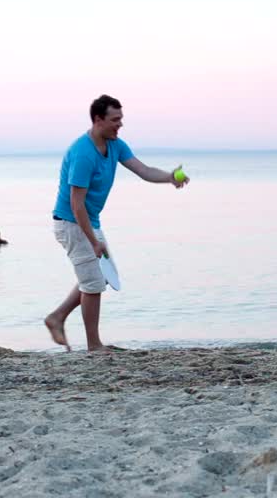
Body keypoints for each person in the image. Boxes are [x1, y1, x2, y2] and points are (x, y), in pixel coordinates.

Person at [43, 94, 188, 352]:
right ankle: (94, 345)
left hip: (87, 221)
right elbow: (76, 205)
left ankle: (57, 317)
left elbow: (143, 170)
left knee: (98, 278)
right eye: (115, 120)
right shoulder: (83, 153)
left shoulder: (115, 145)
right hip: (71, 223)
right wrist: (93, 240)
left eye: (121, 119)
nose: (120, 125)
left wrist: (170, 178)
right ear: (98, 120)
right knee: (94, 284)